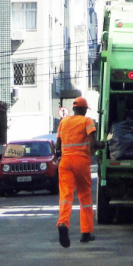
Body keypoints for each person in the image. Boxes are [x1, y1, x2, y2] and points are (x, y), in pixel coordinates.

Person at [55, 97, 98, 248]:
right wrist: (100, 145)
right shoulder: (87, 121)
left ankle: (63, 223)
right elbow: (92, 142)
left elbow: (58, 146)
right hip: (81, 161)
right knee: (85, 196)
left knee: (66, 196)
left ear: (74, 109)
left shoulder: (63, 122)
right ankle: (86, 232)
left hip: (65, 162)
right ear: (85, 109)